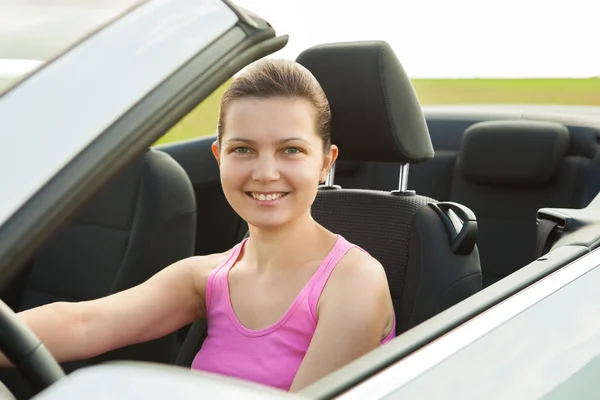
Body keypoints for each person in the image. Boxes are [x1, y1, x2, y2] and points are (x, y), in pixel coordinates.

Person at [0, 59, 396, 392]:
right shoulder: (204, 277)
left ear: (326, 161)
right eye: (243, 149)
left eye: (291, 150)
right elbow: (84, 323)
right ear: (218, 156)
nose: (265, 172)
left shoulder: (354, 282)